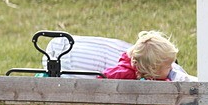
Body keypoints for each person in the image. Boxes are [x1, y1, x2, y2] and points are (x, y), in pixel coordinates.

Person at [44, 32, 195, 81]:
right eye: (168, 66)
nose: (171, 69)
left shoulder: (137, 62)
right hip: (63, 57)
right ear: (151, 71)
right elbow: (102, 81)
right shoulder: (125, 73)